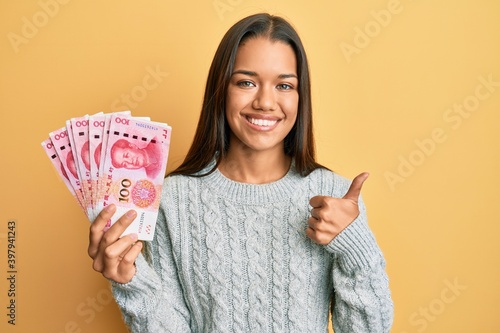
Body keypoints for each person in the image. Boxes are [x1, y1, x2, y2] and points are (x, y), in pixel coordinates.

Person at [88, 13, 394, 332]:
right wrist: (131, 282)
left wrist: (355, 246)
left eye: (284, 85)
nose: (264, 101)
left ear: (301, 96)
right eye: (246, 82)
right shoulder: (172, 201)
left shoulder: (335, 199)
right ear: (222, 89)